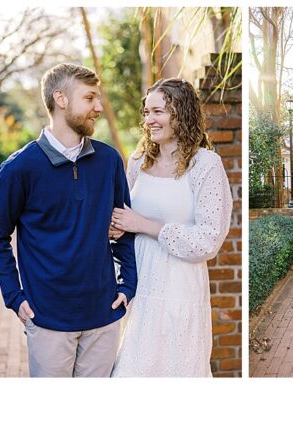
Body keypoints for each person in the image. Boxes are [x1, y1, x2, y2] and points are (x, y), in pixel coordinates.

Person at [0, 63, 137, 377]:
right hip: (47, 320)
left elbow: (124, 225)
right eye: (90, 98)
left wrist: (128, 284)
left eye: (98, 99)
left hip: (105, 315)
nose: (99, 107)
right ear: (61, 99)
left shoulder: (109, 160)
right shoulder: (20, 168)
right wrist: (14, 298)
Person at [110, 78, 232, 377]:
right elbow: (123, 218)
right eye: (147, 112)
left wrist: (144, 225)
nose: (149, 120)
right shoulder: (138, 161)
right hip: (138, 288)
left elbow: (208, 240)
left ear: (182, 113)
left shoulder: (206, 165)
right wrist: (116, 228)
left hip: (180, 289)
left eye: (159, 112)